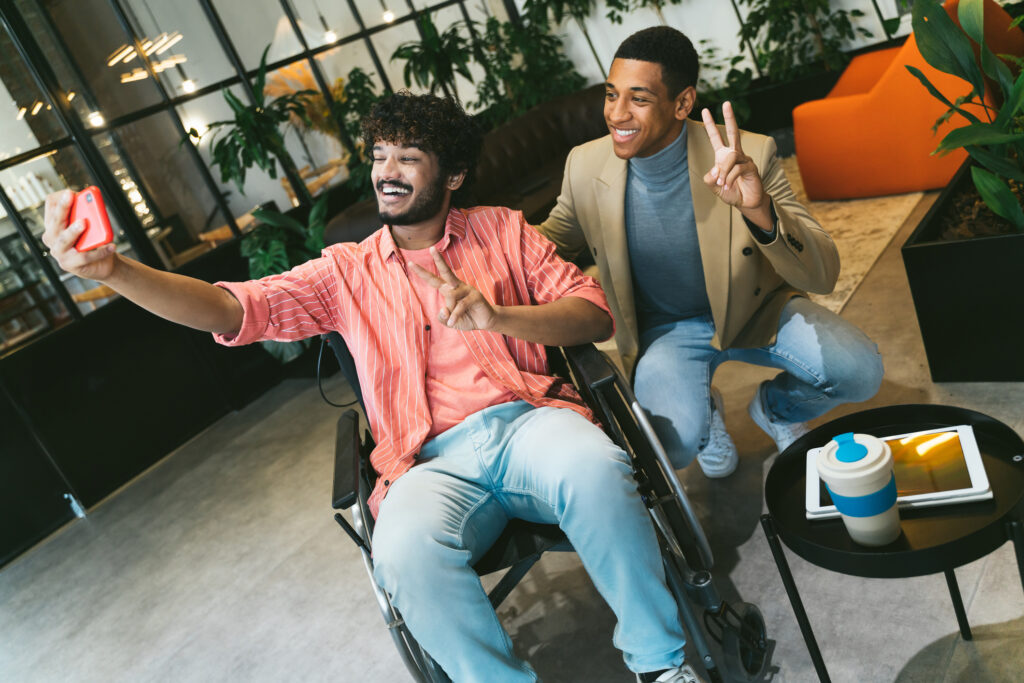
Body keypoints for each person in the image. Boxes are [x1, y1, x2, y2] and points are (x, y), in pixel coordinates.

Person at [43, 93, 705, 683]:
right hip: (426, 460)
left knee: (595, 466)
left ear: (453, 175)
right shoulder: (344, 272)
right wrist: (115, 271)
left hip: (525, 420)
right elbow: (231, 310)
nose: (386, 170)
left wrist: (499, 316)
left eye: (408, 157)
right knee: (400, 549)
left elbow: (591, 311)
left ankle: (659, 662)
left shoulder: (503, 230)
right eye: (380, 154)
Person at [539, 26, 883, 478]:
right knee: (671, 448)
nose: (616, 113)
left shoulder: (750, 153)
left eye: (638, 98)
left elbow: (824, 273)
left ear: (682, 103)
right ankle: (706, 412)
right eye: (610, 94)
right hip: (666, 330)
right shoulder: (585, 164)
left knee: (859, 372)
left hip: (756, 310)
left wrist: (760, 209)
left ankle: (776, 409)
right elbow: (545, 245)